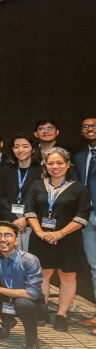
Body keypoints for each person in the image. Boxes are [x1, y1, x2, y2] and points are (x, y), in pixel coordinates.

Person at [24, 147, 90, 332]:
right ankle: (42, 311)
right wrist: (40, 232)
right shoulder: (37, 185)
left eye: (59, 162)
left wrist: (59, 234)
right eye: (50, 163)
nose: (55, 166)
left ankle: (62, 315)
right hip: (41, 237)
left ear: (68, 165)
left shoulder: (80, 188)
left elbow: (82, 215)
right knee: (42, 274)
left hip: (69, 239)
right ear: (45, 165)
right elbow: (29, 210)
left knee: (67, 275)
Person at [0, 133, 39, 251]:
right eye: (16, 146)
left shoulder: (41, 171)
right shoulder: (5, 170)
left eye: (25, 146)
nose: (20, 150)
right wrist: (13, 220)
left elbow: (42, 199)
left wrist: (26, 219)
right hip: (8, 218)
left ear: (33, 149)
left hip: (32, 220)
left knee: (30, 256)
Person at [74, 117, 96, 334]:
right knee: (95, 267)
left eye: (94, 125)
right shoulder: (80, 157)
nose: (90, 129)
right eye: (86, 126)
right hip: (87, 217)